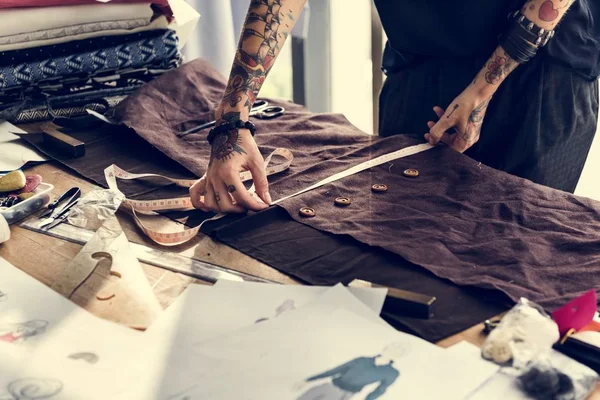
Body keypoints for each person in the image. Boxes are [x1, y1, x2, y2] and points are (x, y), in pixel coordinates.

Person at [190, 0, 599, 213]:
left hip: (538, 66)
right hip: (421, 50)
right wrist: (232, 120)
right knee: (399, 233)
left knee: (510, 257)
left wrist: (480, 91)